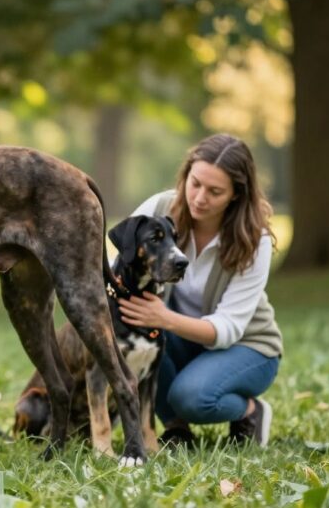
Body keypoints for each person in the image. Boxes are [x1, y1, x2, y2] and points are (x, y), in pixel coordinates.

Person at [116, 133, 283, 447]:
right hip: (179, 338)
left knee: (191, 396)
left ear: (236, 194)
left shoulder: (253, 238)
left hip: (248, 347)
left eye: (215, 191)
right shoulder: (160, 208)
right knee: (141, 341)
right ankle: (177, 429)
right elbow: (115, 265)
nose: (199, 198)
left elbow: (229, 328)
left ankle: (250, 411)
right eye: (195, 183)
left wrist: (163, 318)